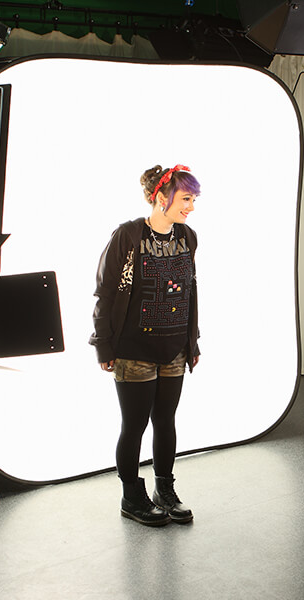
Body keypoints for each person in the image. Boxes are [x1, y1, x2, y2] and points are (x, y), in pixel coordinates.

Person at [89, 164, 201, 527]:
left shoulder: (188, 237)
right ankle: (130, 496)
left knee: (165, 421)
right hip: (133, 349)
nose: (191, 206)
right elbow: (105, 293)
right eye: (186, 199)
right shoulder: (128, 236)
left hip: (174, 348)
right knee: (134, 425)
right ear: (161, 197)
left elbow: (190, 291)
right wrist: (103, 346)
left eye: (193, 199)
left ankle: (163, 490)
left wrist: (191, 340)